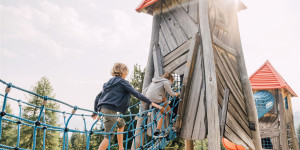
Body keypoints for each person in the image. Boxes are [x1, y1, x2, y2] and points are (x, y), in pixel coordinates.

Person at [92, 63, 162, 150]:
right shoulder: (122, 82)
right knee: (109, 136)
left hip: (106, 110)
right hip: (110, 111)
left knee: (121, 124)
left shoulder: (108, 83)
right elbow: (136, 94)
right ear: (124, 72)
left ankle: (121, 148)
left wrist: (95, 111)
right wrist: (152, 103)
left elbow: (98, 97)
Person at [143, 73, 180, 137]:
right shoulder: (166, 82)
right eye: (172, 81)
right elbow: (171, 93)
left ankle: (172, 115)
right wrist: (176, 94)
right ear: (171, 79)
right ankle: (173, 116)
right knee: (165, 113)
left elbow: (145, 91)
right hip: (156, 99)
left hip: (148, 99)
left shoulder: (155, 81)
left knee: (164, 100)